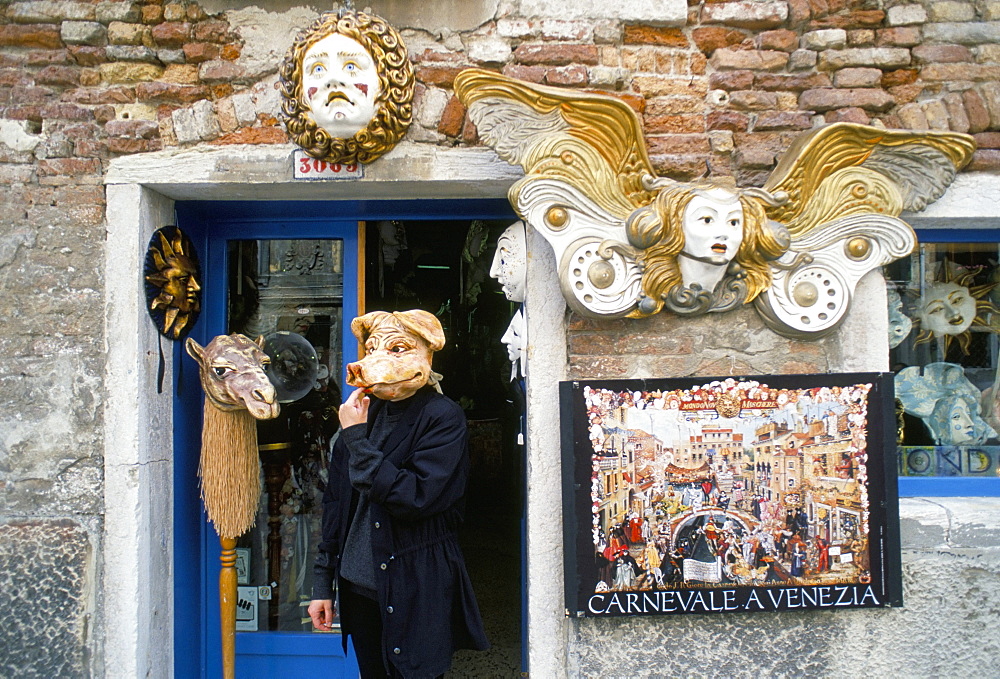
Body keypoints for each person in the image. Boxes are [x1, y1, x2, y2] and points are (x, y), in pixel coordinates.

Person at [308, 309, 488, 678]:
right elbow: (336, 504)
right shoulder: (360, 414)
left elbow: (415, 497)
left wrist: (355, 439)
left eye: (398, 348)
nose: (376, 361)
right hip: (358, 589)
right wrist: (322, 583)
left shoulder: (442, 416)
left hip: (415, 585)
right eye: (372, 349)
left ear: (428, 353)